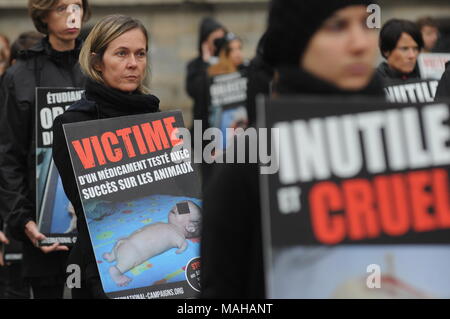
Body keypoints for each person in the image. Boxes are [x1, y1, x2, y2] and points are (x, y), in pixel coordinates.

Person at [200, 0, 383, 298]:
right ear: (298, 39)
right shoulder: (252, 156)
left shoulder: (405, 138)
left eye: (367, 23)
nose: (360, 43)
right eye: (337, 26)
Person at [52, 14, 160, 299]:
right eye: (121, 53)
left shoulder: (157, 118)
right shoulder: (72, 123)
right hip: (99, 266)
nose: (133, 64)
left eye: (140, 54)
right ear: (98, 62)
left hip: (159, 262)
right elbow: (85, 203)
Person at [0, 0, 91, 299]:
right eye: (61, 7)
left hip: (97, 232)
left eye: (76, 5)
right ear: (43, 15)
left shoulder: (100, 66)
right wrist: (24, 221)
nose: (71, 15)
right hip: (43, 231)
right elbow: (7, 156)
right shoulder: (20, 75)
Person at [186, 17, 226, 129]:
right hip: (203, 128)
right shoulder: (195, 65)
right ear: (205, 41)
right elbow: (194, 91)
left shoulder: (229, 64)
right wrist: (206, 64)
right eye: (216, 40)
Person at [377, 19, 423, 83]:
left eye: (415, 49)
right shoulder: (372, 83)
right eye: (404, 49)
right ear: (386, 51)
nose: (412, 55)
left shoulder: (425, 78)